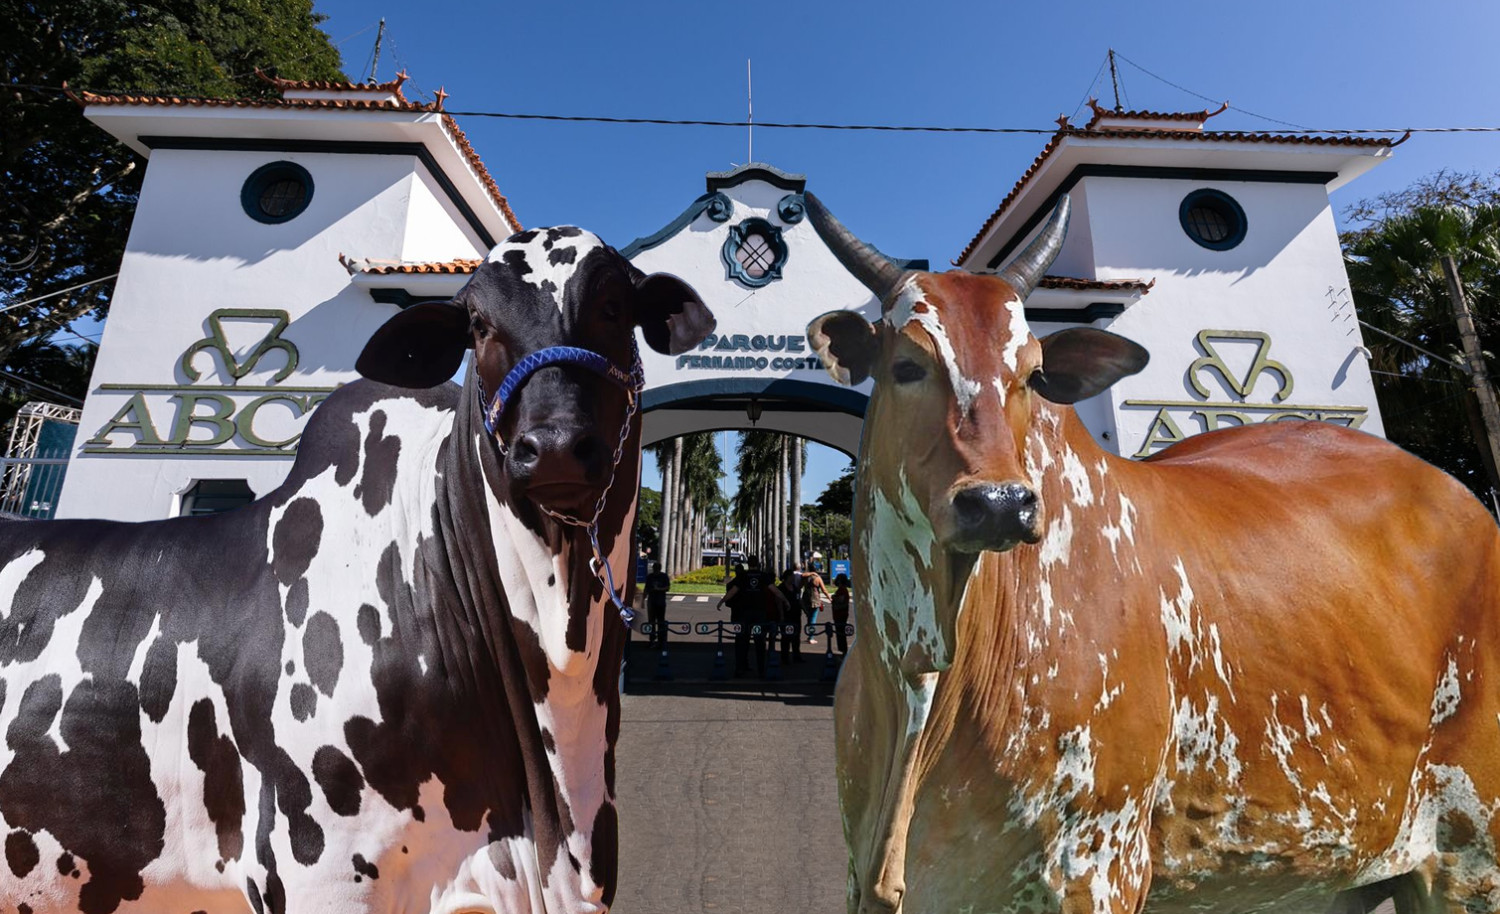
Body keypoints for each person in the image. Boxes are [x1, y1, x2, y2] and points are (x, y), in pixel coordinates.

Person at [718, 555, 785, 678]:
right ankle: (761, 669)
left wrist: (722, 601)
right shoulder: (763, 576)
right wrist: (785, 600)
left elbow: (733, 591)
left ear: (748, 564)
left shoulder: (743, 576)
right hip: (759, 614)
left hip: (744, 613)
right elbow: (775, 590)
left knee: (742, 642)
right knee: (760, 642)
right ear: (758, 564)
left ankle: (740, 668)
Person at [643, 561, 671, 649]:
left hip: (659, 602)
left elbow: (667, 588)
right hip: (653, 601)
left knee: (660, 621)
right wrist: (644, 597)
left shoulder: (663, 576)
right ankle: (652, 640)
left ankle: (660, 640)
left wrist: (658, 589)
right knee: (652, 622)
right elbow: (646, 588)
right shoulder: (650, 577)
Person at [778, 567, 802, 664]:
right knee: (786, 637)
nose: (793, 578)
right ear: (787, 577)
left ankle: (796, 655)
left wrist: (805, 610)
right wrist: (781, 615)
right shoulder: (781, 588)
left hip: (796, 615)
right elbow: (779, 602)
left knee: (796, 637)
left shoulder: (795, 588)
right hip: (786, 616)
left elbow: (799, 600)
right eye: (792, 576)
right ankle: (785, 657)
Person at [800, 568, 829, 644]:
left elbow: (800, 584)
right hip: (815, 599)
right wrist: (829, 597)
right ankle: (811, 637)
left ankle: (809, 635)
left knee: (809, 617)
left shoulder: (806, 578)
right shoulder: (817, 578)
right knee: (813, 619)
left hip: (806, 599)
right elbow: (824, 590)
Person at [831, 573, 851, 655]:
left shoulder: (842, 589)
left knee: (841, 633)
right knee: (840, 633)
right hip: (838, 614)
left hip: (841, 614)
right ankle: (842, 650)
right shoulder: (841, 589)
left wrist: (834, 597)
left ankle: (844, 651)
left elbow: (841, 600)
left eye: (838, 579)